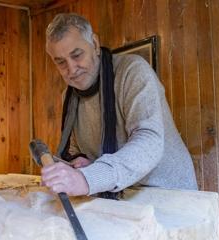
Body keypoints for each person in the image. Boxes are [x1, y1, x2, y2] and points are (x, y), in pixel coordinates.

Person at [41, 13, 198, 198]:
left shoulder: (133, 72)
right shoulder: (68, 97)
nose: (71, 69)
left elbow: (149, 142)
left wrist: (86, 179)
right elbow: (76, 149)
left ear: (95, 44)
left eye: (77, 55)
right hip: (123, 195)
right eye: (60, 62)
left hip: (170, 194)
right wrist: (81, 162)